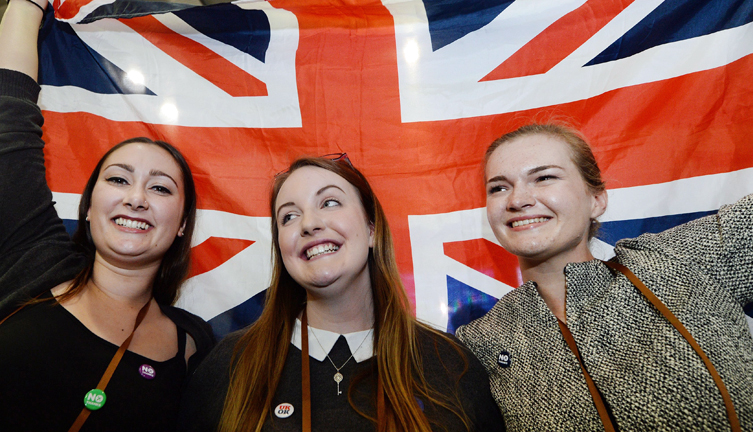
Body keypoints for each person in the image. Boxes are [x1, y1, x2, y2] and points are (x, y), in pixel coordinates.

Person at [455, 123, 753, 431]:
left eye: (544, 177)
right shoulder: (480, 343)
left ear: (597, 200)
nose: (517, 200)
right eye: (499, 187)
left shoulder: (677, 261)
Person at [0, 1, 215, 431]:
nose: (136, 199)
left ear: (183, 224)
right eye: (118, 180)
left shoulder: (193, 345)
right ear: (90, 203)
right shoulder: (34, 261)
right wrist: (28, 5)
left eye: (160, 188)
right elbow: (9, 118)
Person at [178, 154, 504, 431]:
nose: (309, 223)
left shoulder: (451, 365)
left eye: (329, 202)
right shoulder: (231, 366)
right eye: (289, 216)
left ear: (372, 229)